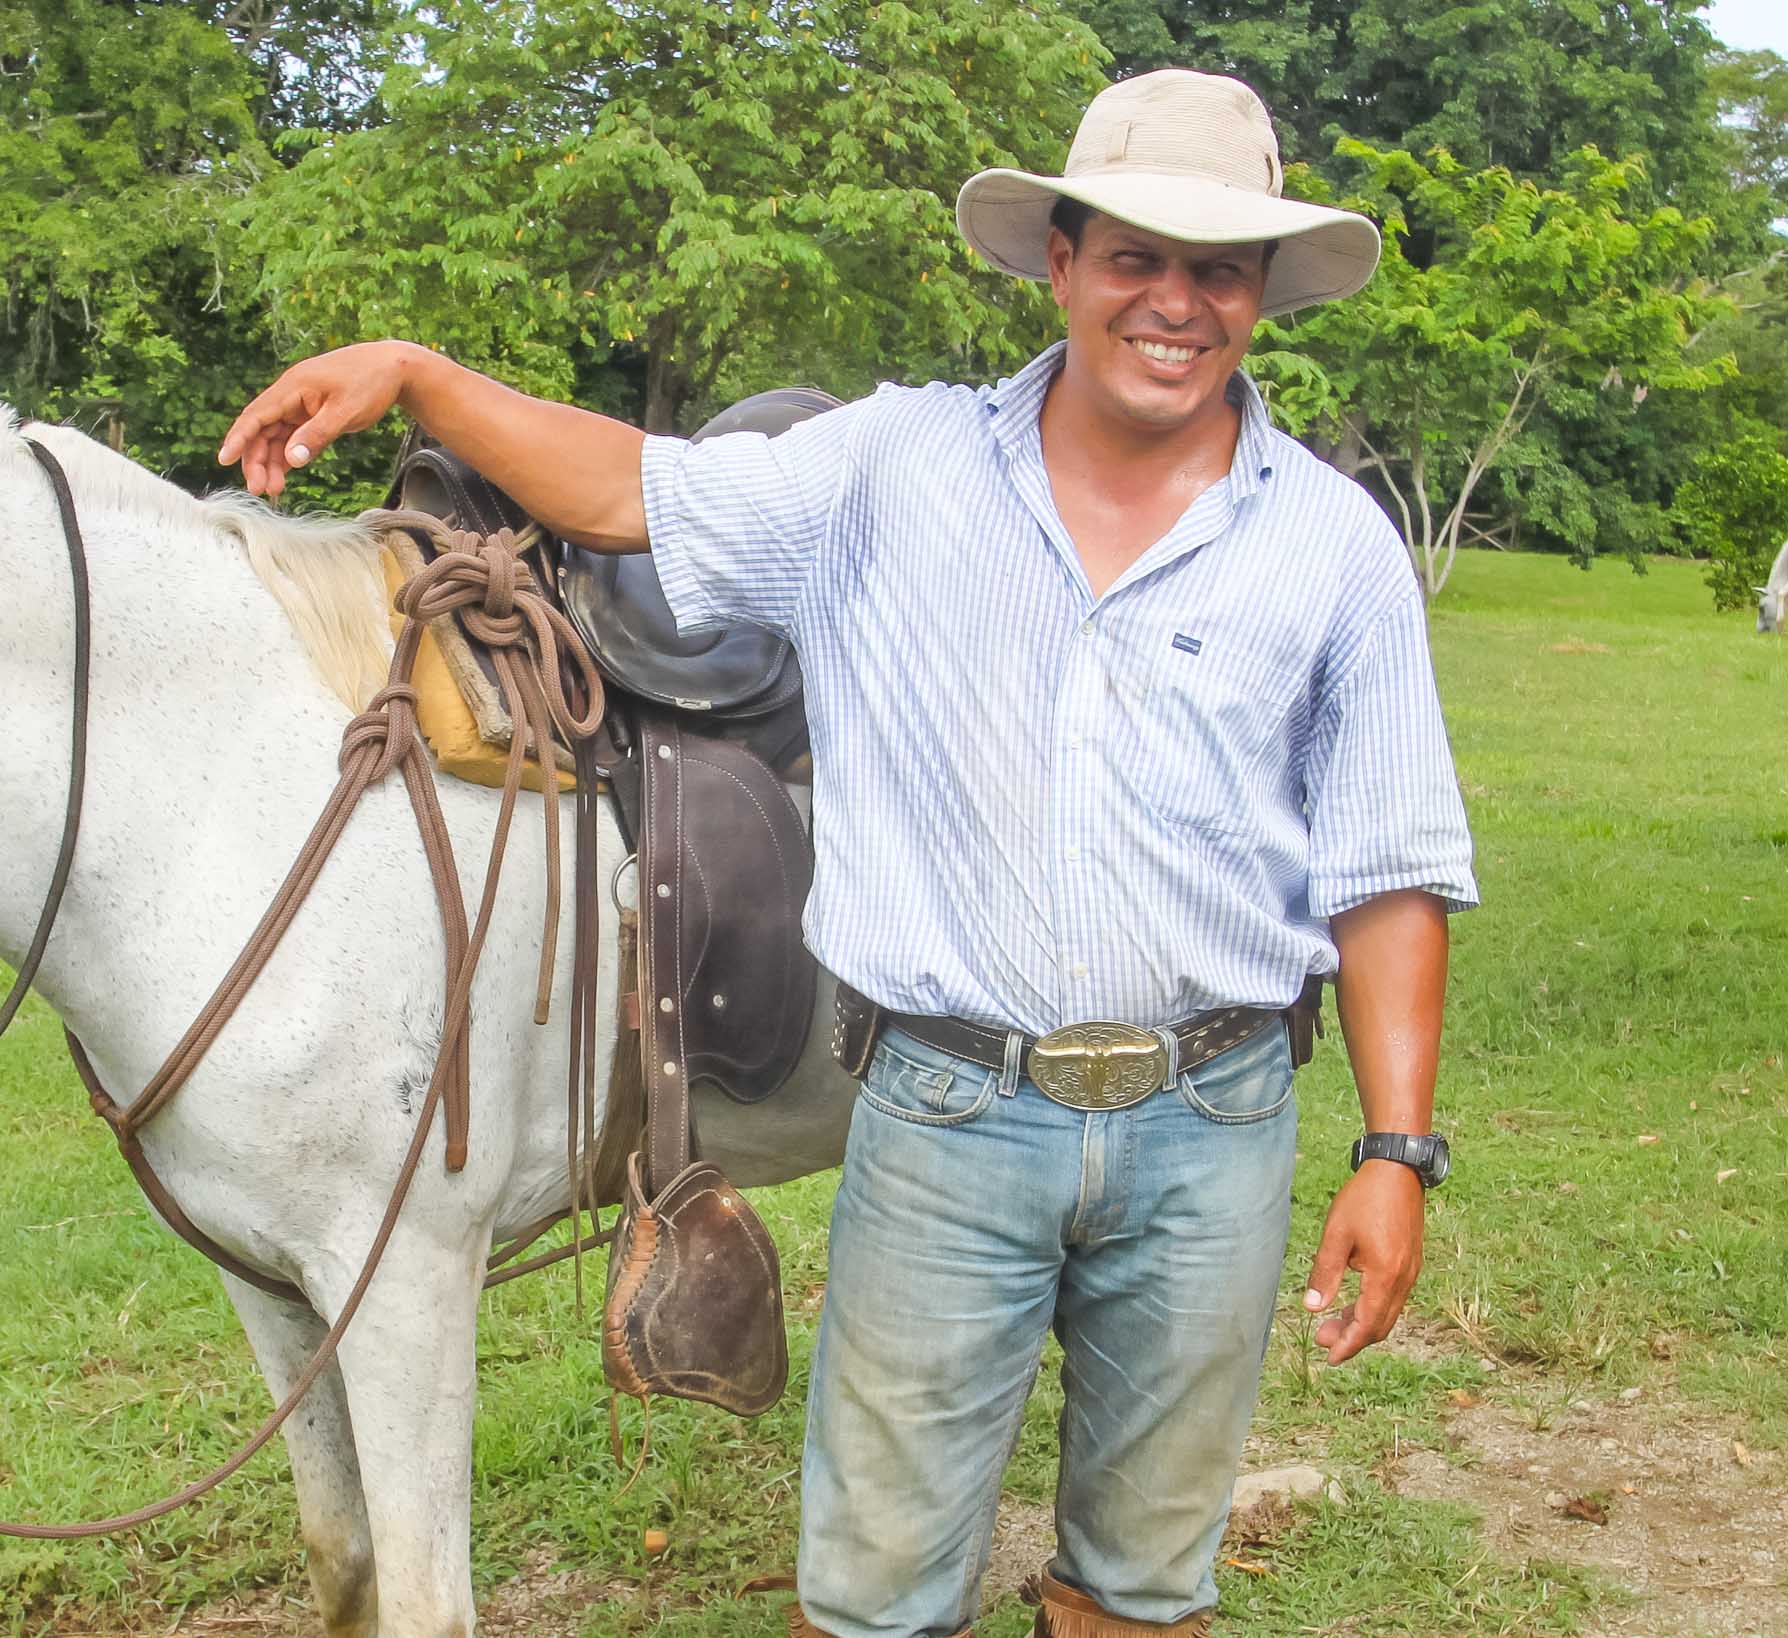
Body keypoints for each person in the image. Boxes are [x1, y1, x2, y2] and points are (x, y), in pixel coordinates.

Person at [219, 67, 1475, 1638]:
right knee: (875, 1597)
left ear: (1264, 293)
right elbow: (627, 485)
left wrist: (1395, 1145)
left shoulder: (1334, 546)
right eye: (1136, 257)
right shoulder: (897, 469)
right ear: (1061, 262)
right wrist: (420, 376)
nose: (1176, 302)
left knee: (1148, 1585)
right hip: (954, 1108)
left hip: (1214, 1120)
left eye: (1217, 267)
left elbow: (1388, 866)